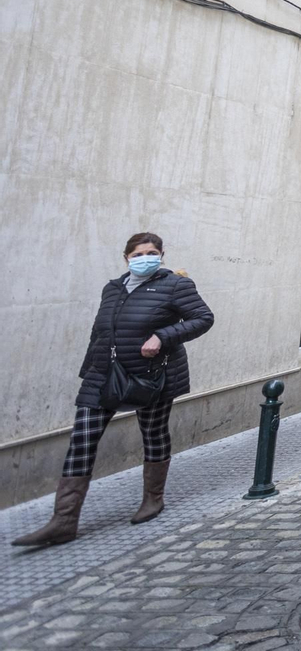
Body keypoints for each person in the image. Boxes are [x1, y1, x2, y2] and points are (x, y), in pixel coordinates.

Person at [13, 233, 215, 548]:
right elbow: (99, 332)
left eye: (151, 253)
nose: (145, 258)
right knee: (82, 439)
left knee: (153, 433)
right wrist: (90, 372)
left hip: (152, 375)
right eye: (138, 254)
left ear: (161, 255)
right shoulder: (113, 288)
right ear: (126, 258)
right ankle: (64, 521)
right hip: (104, 375)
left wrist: (162, 336)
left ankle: (153, 499)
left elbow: (203, 318)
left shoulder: (176, 285)